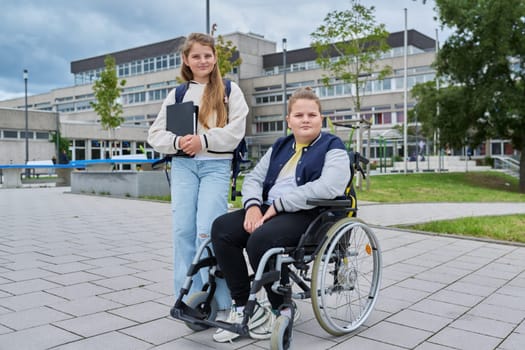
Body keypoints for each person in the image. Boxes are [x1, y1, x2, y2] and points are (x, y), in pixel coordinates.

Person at [210, 87, 351, 342]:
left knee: (261, 239)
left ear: (322, 118)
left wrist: (279, 205)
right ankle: (244, 307)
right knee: (222, 228)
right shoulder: (280, 145)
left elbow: (330, 186)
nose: (305, 119)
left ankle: (281, 307)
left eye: (311, 114)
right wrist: (253, 205)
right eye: (299, 115)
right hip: (267, 208)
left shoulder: (333, 146)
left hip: (308, 214)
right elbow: (254, 177)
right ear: (289, 120)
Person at [147, 33, 249, 312]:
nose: (202, 60)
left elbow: (236, 131)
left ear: (215, 58)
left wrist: (203, 141)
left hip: (215, 166)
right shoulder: (177, 94)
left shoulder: (230, 90)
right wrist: (178, 142)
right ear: (186, 60)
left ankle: (220, 299)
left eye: (207, 55)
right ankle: (188, 297)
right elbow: (155, 134)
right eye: (196, 56)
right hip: (183, 167)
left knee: (207, 231)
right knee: (183, 231)